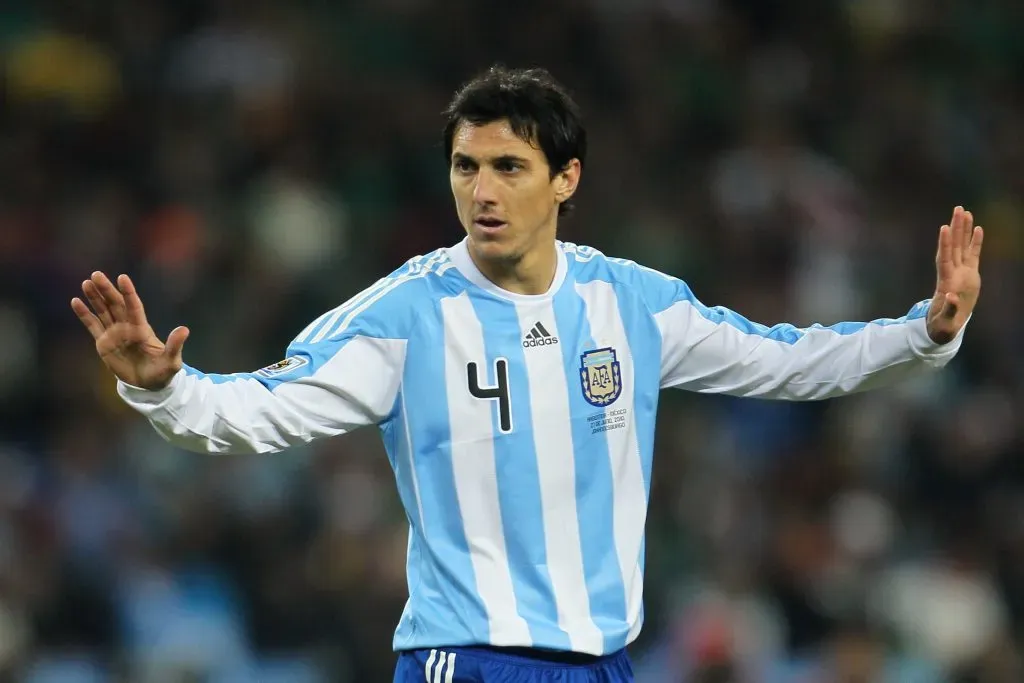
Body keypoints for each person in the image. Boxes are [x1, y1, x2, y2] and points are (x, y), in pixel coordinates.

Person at [70, 66, 984, 683]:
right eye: (465, 166)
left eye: (509, 166)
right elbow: (259, 411)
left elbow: (791, 359)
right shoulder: (403, 315)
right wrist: (164, 387)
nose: (482, 191)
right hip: (466, 658)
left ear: (566, 179)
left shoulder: (633, 303)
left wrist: (925, 332)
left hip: (603, 661)